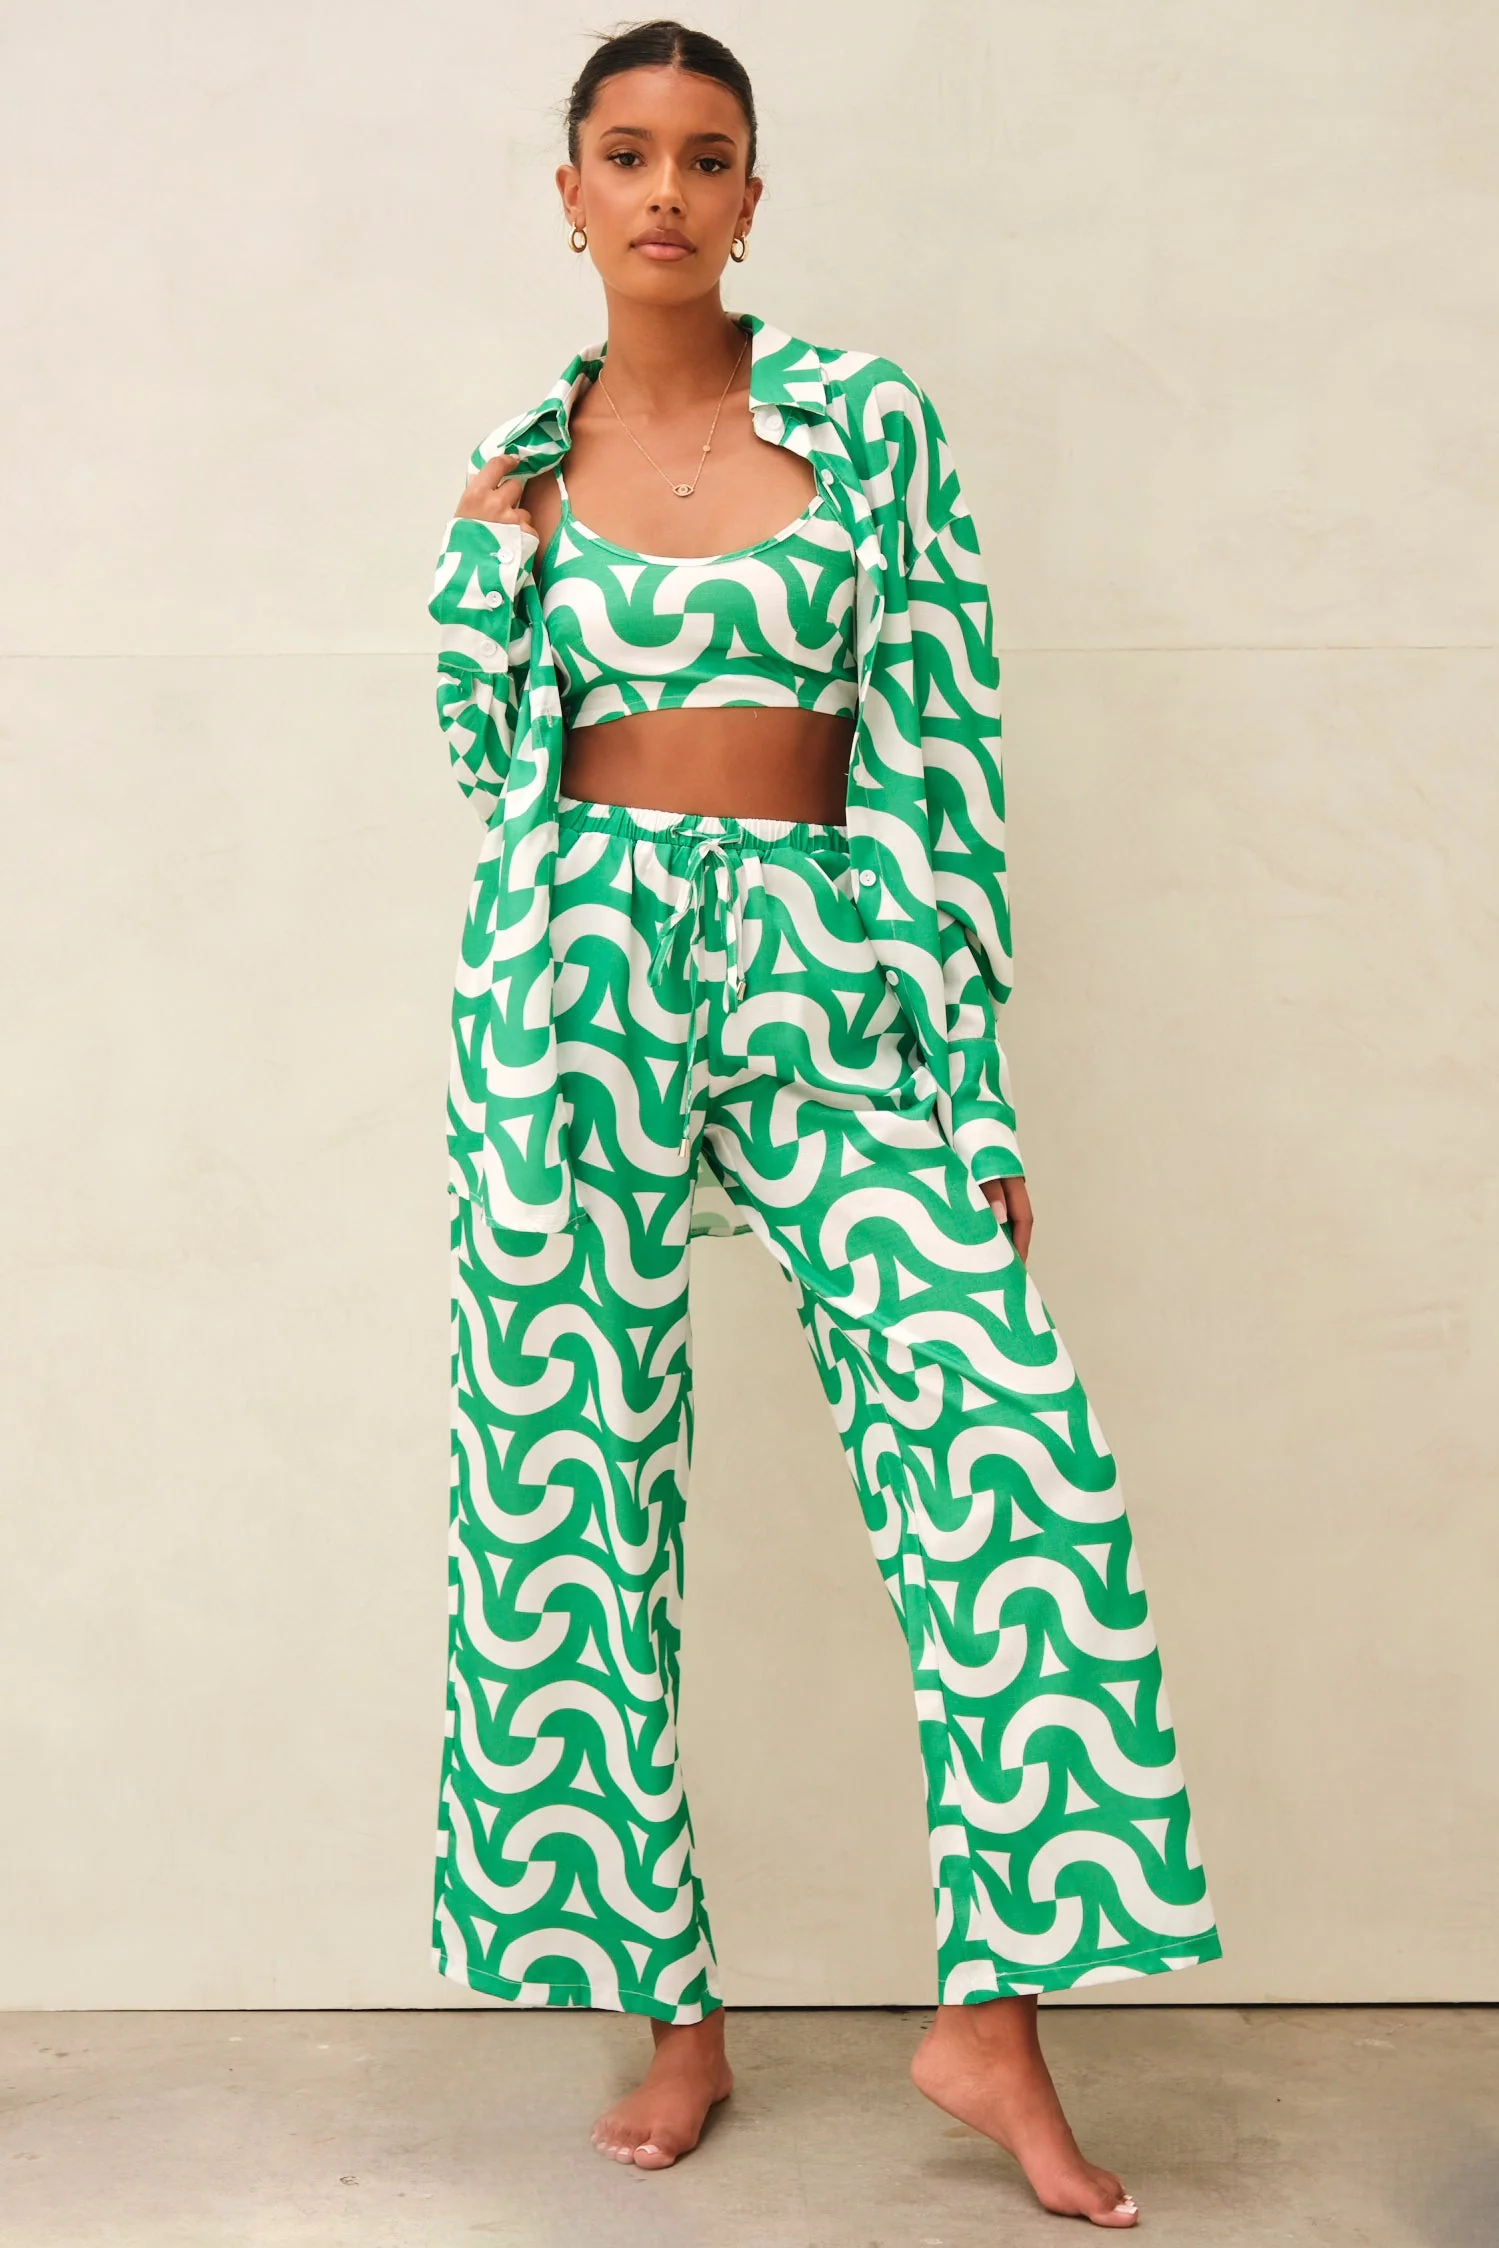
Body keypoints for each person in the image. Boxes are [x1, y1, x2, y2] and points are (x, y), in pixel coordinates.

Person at [426, 17, 1219, 2230]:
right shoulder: (518, 457)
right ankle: (667, 2012)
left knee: (1010, 1457)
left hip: (828, 967)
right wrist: (479, 562)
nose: (664, 191)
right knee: (569, 1493)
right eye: (625, 155)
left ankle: (993, 2022)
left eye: (707, 157)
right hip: (569, 982)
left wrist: (972, 1087)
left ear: (754, 198)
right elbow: (485, 759)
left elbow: (941, 751)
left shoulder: (869, 424)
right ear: (567, 196)